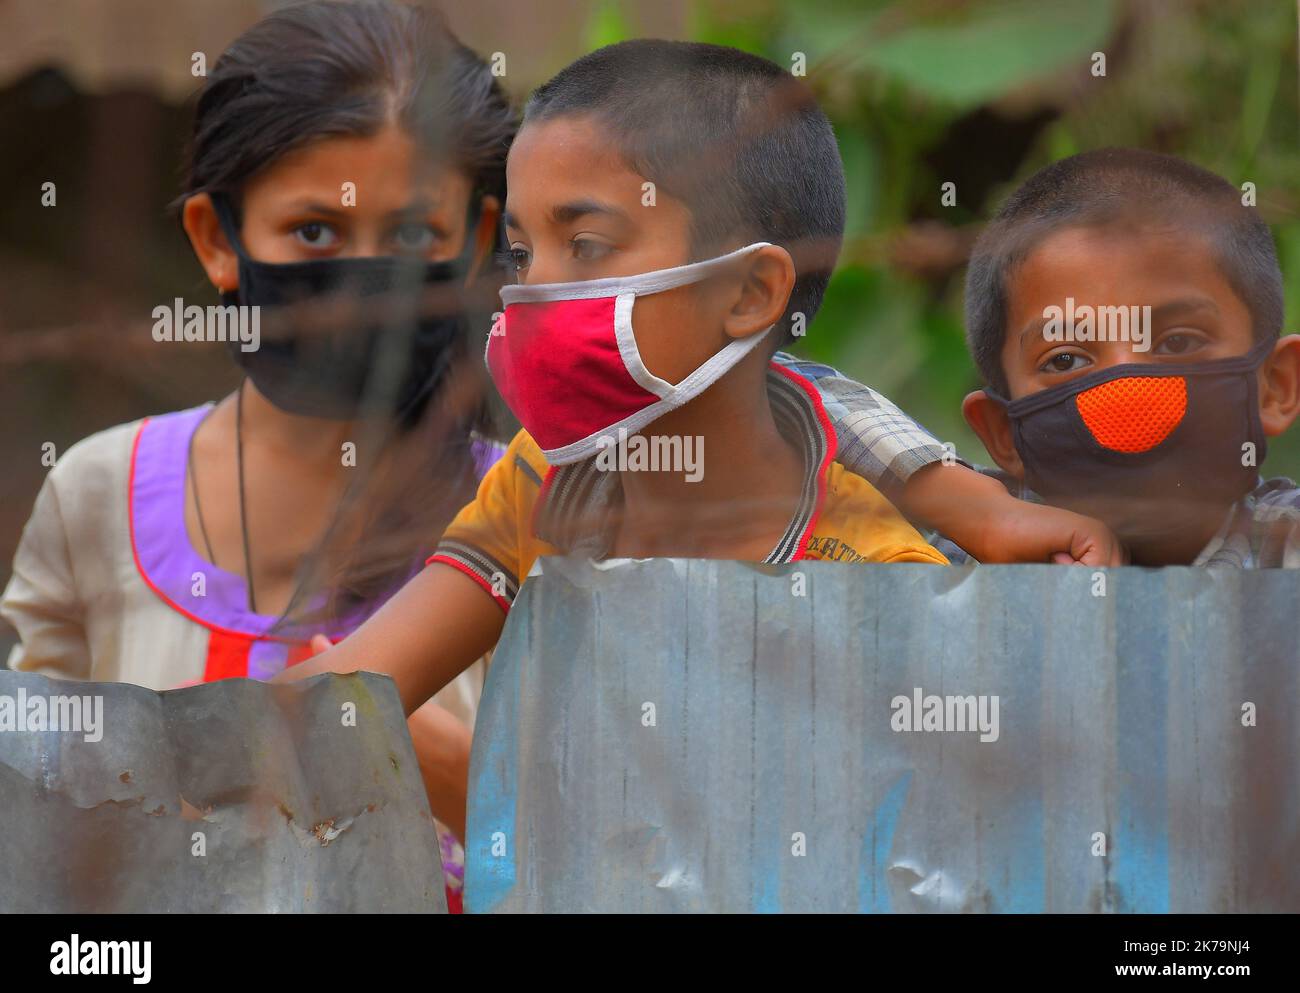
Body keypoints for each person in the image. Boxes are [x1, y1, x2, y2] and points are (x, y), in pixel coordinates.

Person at [279, 40, 1133, 728]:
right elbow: (343, 697)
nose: (531, 292)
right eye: (520, 251)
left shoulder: (883, 580)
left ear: (750, 293)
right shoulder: (539, 484)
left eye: (586, 247)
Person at [0, 0, 517, 911]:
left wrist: (435, 761)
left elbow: (617, 857)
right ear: (216, 241)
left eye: (409, 237)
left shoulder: (528, 520)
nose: (362, 281)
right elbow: (36, 838)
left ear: (474, 242)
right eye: (314, 232)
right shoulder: (98, 494)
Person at [950, 148, 1300, 566]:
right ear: (1003, 434)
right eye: (1066, 360)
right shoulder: (951, 571)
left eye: (1177, 343)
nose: (1128, 395)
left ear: (1276, 387)